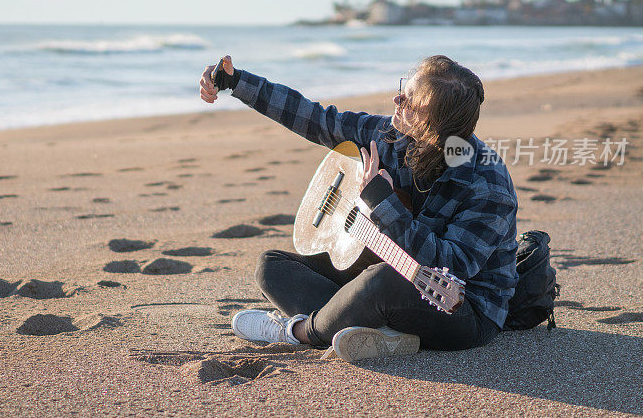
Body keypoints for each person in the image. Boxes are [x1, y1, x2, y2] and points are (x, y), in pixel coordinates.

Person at [199, 54, 518, 362]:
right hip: (384, 269)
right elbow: (317, 119)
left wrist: (383, 202)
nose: (396, 102)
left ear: (432, 124)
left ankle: (300, 331)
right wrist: (237, 82)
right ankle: (376, 329)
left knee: (383, 281)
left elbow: (450, 265)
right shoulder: (390, 135)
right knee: (271, 266)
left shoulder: (487, 184)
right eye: (401, 89)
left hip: (462, 308)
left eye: (408, 101)